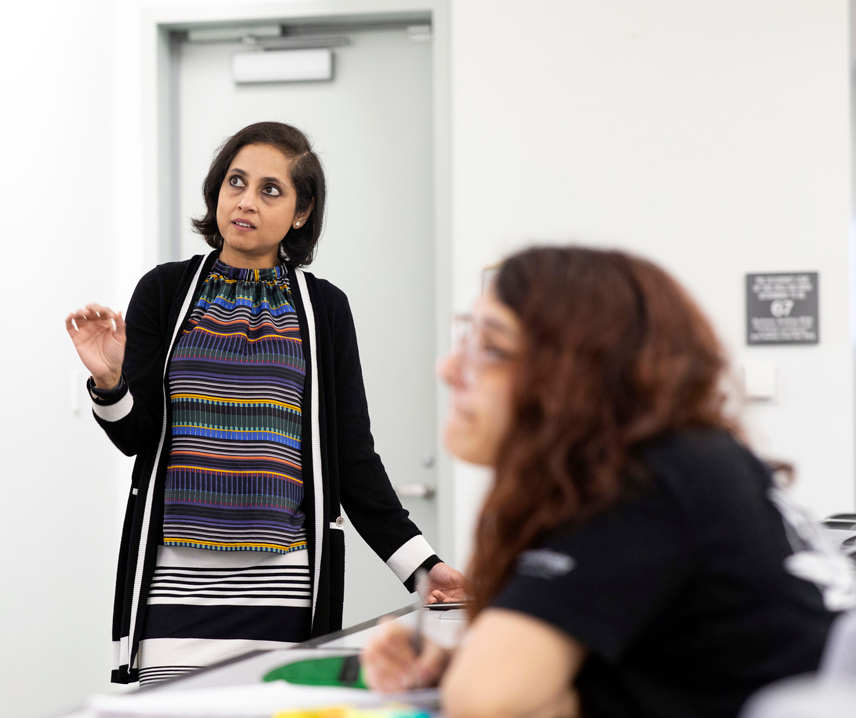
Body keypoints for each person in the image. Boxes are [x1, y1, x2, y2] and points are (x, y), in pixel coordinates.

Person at [360, 247, 856, 717]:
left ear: (578, 372)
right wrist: (450, 666)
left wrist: (468, 672)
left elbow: (483, 700)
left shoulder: (645, 481)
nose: (448, 368)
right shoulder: (696, 457)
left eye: (492, 348)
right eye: (465, 340)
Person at [66, 122, 464, 686]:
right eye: (236, 182)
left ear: (301, 213)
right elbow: (138, 437)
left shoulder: (324, 308)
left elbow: (352, 458)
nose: (246, 201)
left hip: (283, 587)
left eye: (270, 190)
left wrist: (422, 567)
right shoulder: (165, 291)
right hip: (174, 585)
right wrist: (110, 383)